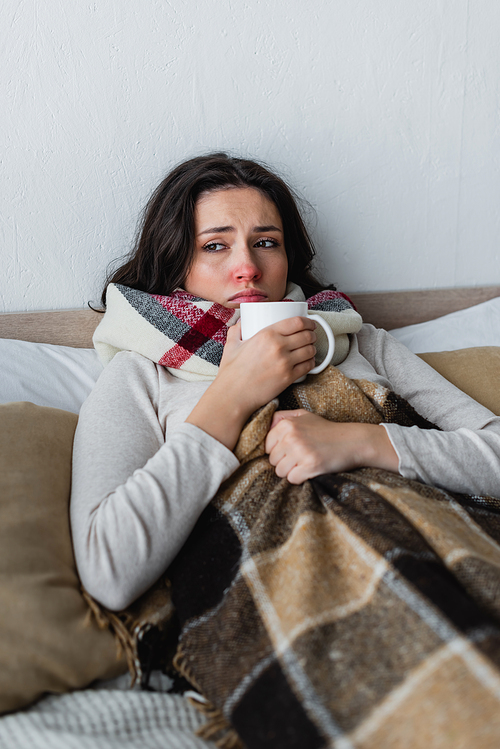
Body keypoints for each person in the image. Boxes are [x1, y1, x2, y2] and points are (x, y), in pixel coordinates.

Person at [70, 153, 500, 612]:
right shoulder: (141, 372)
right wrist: (233, 394)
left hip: (444, 558)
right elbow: (108, 570)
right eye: (215, 245)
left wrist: (362, 442)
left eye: (267, 242)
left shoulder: (356, 340)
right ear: (177, 261)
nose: (249, 267)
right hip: (292, 610)